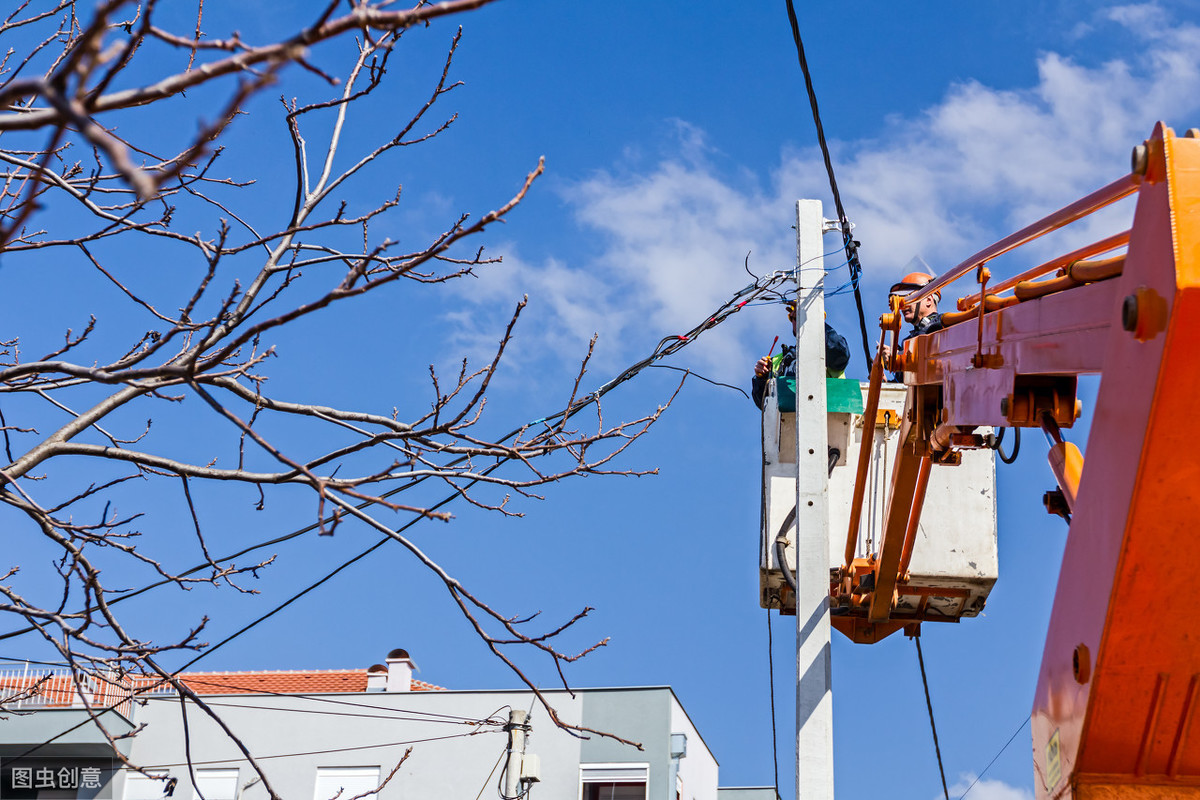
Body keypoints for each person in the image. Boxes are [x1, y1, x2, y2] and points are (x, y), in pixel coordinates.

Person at [751, 299, 850, 409]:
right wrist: (762, 378)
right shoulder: (779, 360)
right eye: (795, 318)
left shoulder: (827, 349)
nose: (797, 322)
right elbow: (764, 403)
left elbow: (839, 354)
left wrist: (811, 317)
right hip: (788, 420)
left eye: (801, 317)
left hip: (828, 414)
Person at [881, 271, 943, 380]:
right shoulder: (908, 341)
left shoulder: (942, 326)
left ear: (929, 300)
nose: (903, 305)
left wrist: (900, 356)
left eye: (909, 298)